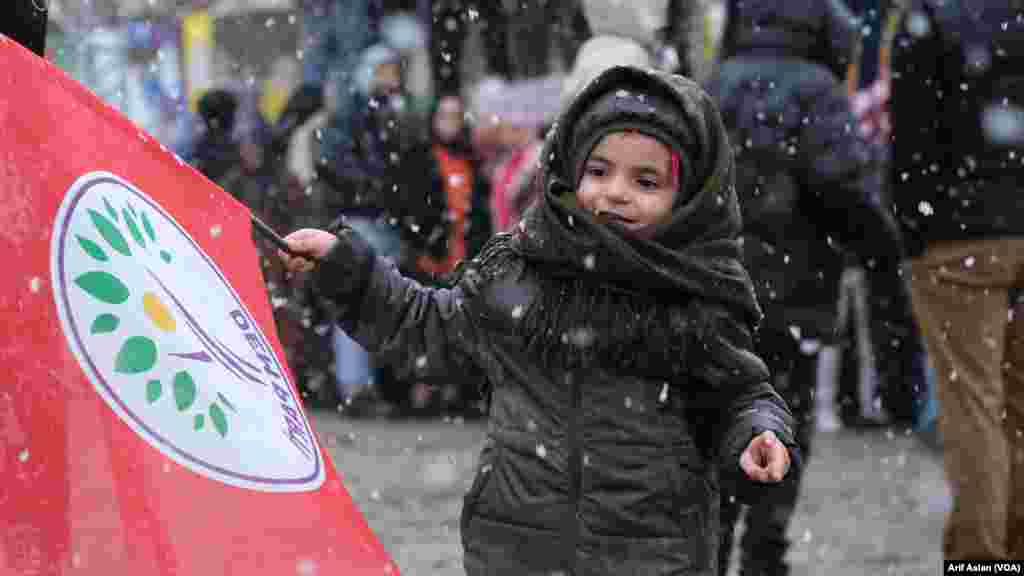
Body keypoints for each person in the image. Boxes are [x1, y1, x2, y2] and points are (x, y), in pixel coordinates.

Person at [279, 65, 801, 575]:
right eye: (598, 171)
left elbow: (741, 395)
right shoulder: (522, 271)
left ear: (687, 201)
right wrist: (348, 270)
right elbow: (427, 326)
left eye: (645, 180)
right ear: (571, 172)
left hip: (651, 557)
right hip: (516, 551)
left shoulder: (694, 302)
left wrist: (758, 434)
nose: (615, 192)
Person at [706, 0, 918, 573]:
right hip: (793, 293)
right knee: (785, 419)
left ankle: (715, 542)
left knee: (719, 420)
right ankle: (764, 550)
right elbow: (844, 189)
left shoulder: (715, 83)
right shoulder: (818, 90)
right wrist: (885, 255)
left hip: (717, 293)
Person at [889, 0, 1024, 560]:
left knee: (973, 407)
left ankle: (983, 562)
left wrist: (913, 228)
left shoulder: (932, 17)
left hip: (958, 236)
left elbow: (911, 144)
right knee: (1016, 407)